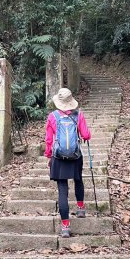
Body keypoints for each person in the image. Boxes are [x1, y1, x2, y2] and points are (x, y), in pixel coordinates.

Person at [45, 87, 91, 238]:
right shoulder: (79, 115)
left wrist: (48, 155)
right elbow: (85, 134)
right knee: (78, 180)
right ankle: (81, 208)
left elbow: (49, 140)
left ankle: (65, 226)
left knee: (62, 189)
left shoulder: (52, 117)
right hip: (75, 155)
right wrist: (86, 135)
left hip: (58, 157)